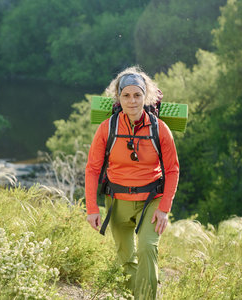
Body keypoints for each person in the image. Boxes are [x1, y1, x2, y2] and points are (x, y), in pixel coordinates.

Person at [85, 66, 179, 299]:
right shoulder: (107, 128)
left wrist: (165, 208)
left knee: (148, 247)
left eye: (137, 95)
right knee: (126, 258)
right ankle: (141, 293)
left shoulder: (160, 129)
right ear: (118, 97)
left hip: (151, 200)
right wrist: (92, 208)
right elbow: (93, 169)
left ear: (145, 97)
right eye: (126, 95)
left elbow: (173, 169)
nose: (132, 101)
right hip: (117, 201)